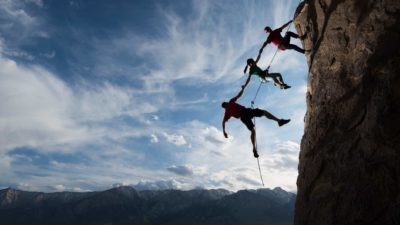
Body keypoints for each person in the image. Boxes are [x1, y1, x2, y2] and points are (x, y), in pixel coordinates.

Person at [221, 85, 290, 158]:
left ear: (224, 107)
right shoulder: (230, 103)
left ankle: (254, 148)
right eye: (226, 103)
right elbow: (239, 95)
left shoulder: (227, 112)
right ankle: (279, 121)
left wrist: (224, 132)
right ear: (226, 104)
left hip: (243, 117)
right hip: (246, 112)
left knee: (253, 131)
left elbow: (223, 122)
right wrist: (243, 89)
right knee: (264, 112)